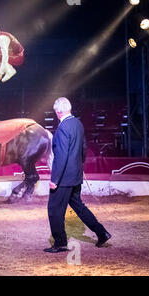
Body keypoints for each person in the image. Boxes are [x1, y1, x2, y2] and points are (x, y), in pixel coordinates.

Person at [44, 97, 111, 253]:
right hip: (75, 175)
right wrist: (79, 166)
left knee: (54, 209)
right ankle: (102, 233)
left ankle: (60, 243)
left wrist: (54, 179)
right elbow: (83, 147)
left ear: (58, 111)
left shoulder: (62, 129)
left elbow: (61, 157)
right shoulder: (78, 124)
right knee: (79, 207)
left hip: (63, 178)